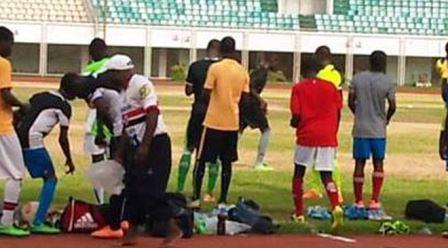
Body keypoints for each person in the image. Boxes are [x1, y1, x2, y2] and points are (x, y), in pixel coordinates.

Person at [92, 55, 180, 247]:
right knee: (131, 189)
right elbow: (127, 126)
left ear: (122, 72)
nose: (110, 78)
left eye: (112, 74)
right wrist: (120, 154)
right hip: (136, 145)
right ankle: (130, 234)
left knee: (150, 190)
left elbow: (153, 113)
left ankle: (173, 227)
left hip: (155, 143)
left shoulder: (141, 83)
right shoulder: (122, 95)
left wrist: (146, 145)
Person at [191, 36, 250, 208]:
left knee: (201, 160)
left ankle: (196, 197)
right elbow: (245, 99)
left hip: (213, 121)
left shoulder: (215, 68)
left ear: (221, 50)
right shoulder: (242, 71)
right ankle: (223, 199)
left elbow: (206, 93)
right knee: (226, 163)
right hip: (232, 122)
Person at [15, 75, 78, 234]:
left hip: (16, 136)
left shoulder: (40, 95)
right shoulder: (64, 106)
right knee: (50, 179)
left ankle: (8, 218)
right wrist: (69, 160)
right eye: (76, 89)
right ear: (69, 89)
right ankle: (38, 221)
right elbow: (62, 138)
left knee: (13, 176)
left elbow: (19, 113)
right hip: (32, 140)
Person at [290, 56, 344, 228]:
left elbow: (296, 115)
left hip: (307, 135)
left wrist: (295, 123)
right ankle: (335, 205)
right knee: (327, 175)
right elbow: (337, 110)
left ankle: (299, 213)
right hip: (327, 135)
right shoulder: (330, 87)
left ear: (301, 70)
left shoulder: (298, 88)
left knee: (299, 173)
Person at [348, 50, 396, 220]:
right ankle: (375, 199)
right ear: (383, 64)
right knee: (378, 163)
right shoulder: (387, 81)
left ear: (369, 62)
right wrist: (386, 119)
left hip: (361, 127)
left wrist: (358, 114)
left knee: (359, 163)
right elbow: (392, 105)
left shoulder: (358, 78)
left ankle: (359, 200)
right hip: (378, 128)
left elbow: (350, 101)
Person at [177, 39, 221, 203]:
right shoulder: (222, 68)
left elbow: (188, 91)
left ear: (206, 50)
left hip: (198, 112)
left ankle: (180, 188)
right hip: (215, 115)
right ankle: (209, 192)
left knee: (189, 149)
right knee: (214, 155)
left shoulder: (195, 66)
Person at [303, 46, 344, 204]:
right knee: (318, 156)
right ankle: (315, 188)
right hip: (328, 119)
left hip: (321, 119)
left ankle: (336, 189)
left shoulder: (325, 75)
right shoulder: (334, 74)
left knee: (329, 159)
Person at [0, 26, 30, 237]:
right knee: (16, 173)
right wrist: (22, 106)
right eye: (9, 42)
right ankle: (7, 221)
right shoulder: (3, 63)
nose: (11, 47)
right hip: (2, 126)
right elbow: (5, 93)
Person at [83, 38, 111, 204]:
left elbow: (89, 100)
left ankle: (100, 203)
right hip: (116, 118)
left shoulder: (89, 70)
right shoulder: (115, 65)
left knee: (97, 163)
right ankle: (117, 202)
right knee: (117, 161)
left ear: (91, 54)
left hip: (95, 121)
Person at [239, 59, 272, 171]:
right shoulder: (262, 73)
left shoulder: (254, 72)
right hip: (251, 104)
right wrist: (261, 101)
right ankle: (259, 162)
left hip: (244, 103)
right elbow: (251, 88)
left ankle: (223, 157)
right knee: (266, 130)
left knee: (239, 129)